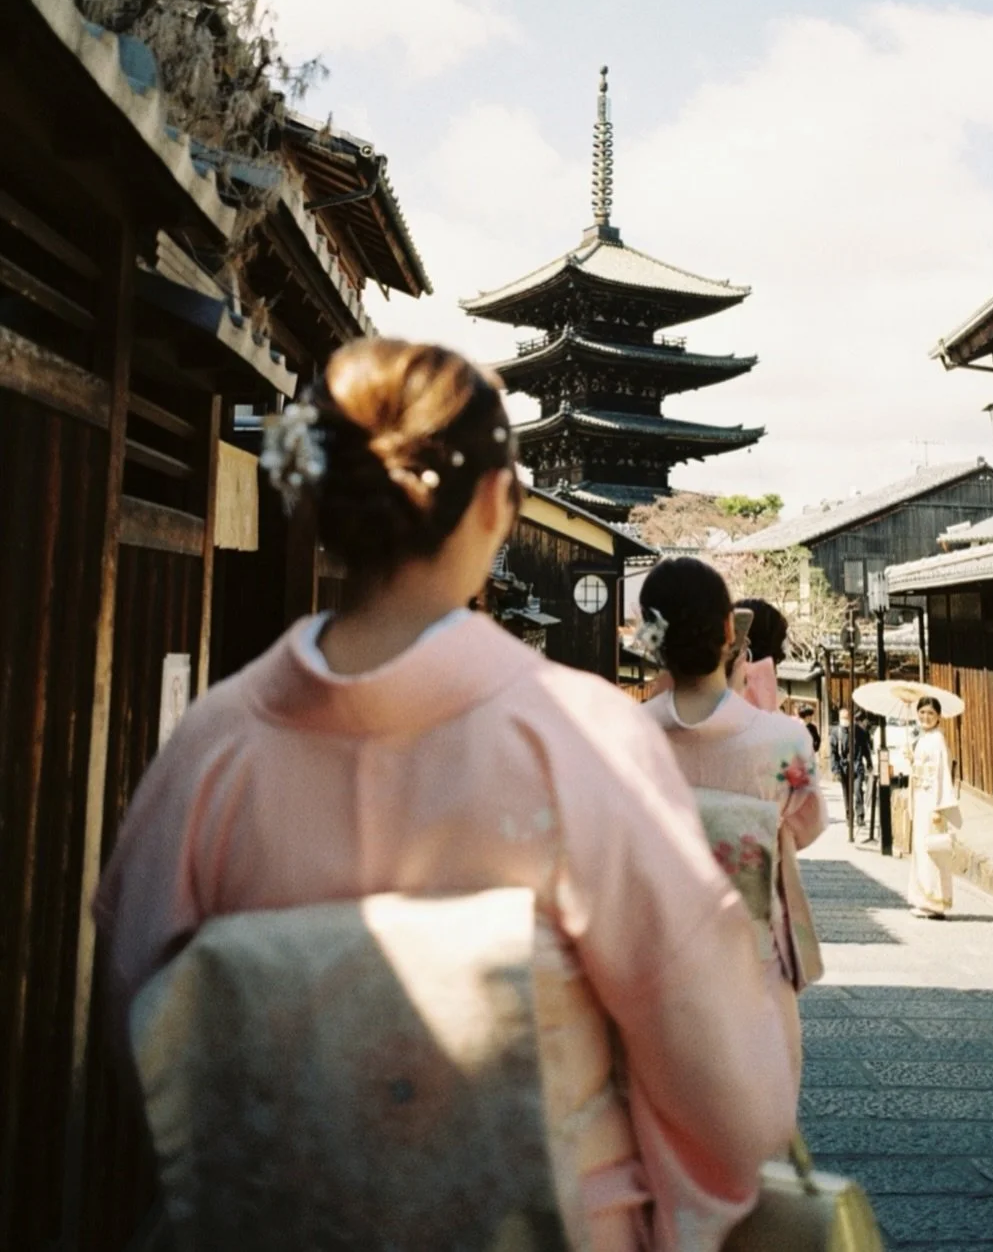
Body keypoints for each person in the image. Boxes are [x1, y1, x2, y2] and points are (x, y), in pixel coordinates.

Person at [93, 339, 797, 1252]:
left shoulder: (210, 748)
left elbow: (142, 1033)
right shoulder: (580, 738)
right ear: (500, 501)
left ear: (317, 494)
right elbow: (726, 1096)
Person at [639, 559, 828, 1082]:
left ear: (649, 638)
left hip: (650, 958)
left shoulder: (620, 734)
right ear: (730, 631)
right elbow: (805, 827)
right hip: (752, 956)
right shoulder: (785, 739)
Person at [908, 695, 961, 919]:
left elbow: (942, 774)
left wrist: (940, 807)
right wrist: (912, 760)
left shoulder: (937, 739)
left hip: (932, 800)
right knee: (922, 849)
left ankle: (934, 902)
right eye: (922, 712)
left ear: (938, 716)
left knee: (931, 850)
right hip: (921, 797)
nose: (926, 717)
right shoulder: (924, 738)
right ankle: (924, 899)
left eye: (930, 713)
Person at [829, 707, 873, 828]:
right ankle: (849, 816)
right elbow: (833, 753)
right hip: (843, 767)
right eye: (843, 717)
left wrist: (869, 762)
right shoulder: (835, 732)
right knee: (847, 794)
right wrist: (836, 770)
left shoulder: (859, 731)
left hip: (857, 765)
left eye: (847, 717)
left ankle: (860, 815)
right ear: (839, 718)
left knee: (858, 790)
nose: (845, 720)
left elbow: (866, 748)